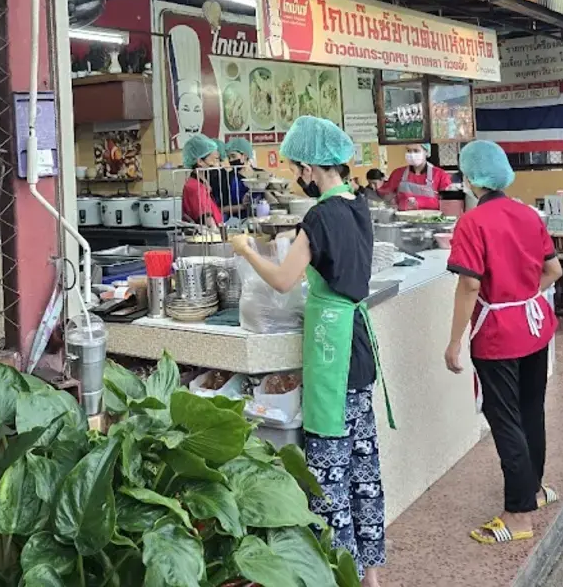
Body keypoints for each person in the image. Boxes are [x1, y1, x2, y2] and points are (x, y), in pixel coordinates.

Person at [231, 117, 391, 586]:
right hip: (359, 344)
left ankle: (339, 575)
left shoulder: (318, 217)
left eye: (295, 166)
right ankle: (372, 574)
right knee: (365, 466)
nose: (294, 174)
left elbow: (283, 281)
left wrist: (245, 249)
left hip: (330, 349)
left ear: (308, 166)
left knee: (329, 474)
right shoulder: (358, 203)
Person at [444, 140, 561, 546]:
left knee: (505, 419)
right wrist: (524, 294)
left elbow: (469, 286)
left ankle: (519, 516)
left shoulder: (472, 223)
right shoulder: (528, 214)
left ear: (473, 180)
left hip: (497, 335)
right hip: (535, 326)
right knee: (531, 411)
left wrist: (455, 341)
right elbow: (554, 270)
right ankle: (537, 491)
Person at [380, 143, 451, 211]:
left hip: (431, 220)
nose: (411, 154)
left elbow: (447, 203)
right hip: (404, 219)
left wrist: (420, 202)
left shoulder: (440, 175)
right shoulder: (397, 173)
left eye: (416, 151)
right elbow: (387, 196)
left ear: (426, 152)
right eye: (408, 151)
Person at [180, 133, 223, 230]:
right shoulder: (195, 187)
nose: (218, 164)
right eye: (215, 159)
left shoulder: (201, 185)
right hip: (206, 240)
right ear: (200, 161)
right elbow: (209, 223)